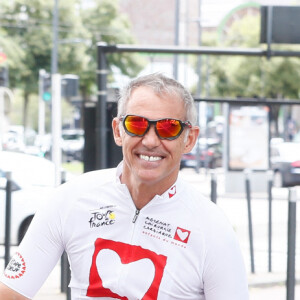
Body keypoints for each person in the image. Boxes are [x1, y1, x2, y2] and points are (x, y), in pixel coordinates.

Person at [0, 73, 248, 300]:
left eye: (168, 127)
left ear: (189, 139)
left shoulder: (212, 228)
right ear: (118, 131)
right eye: (137, 124)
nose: (151, 141)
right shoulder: (70, 199)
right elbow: (11, 292)